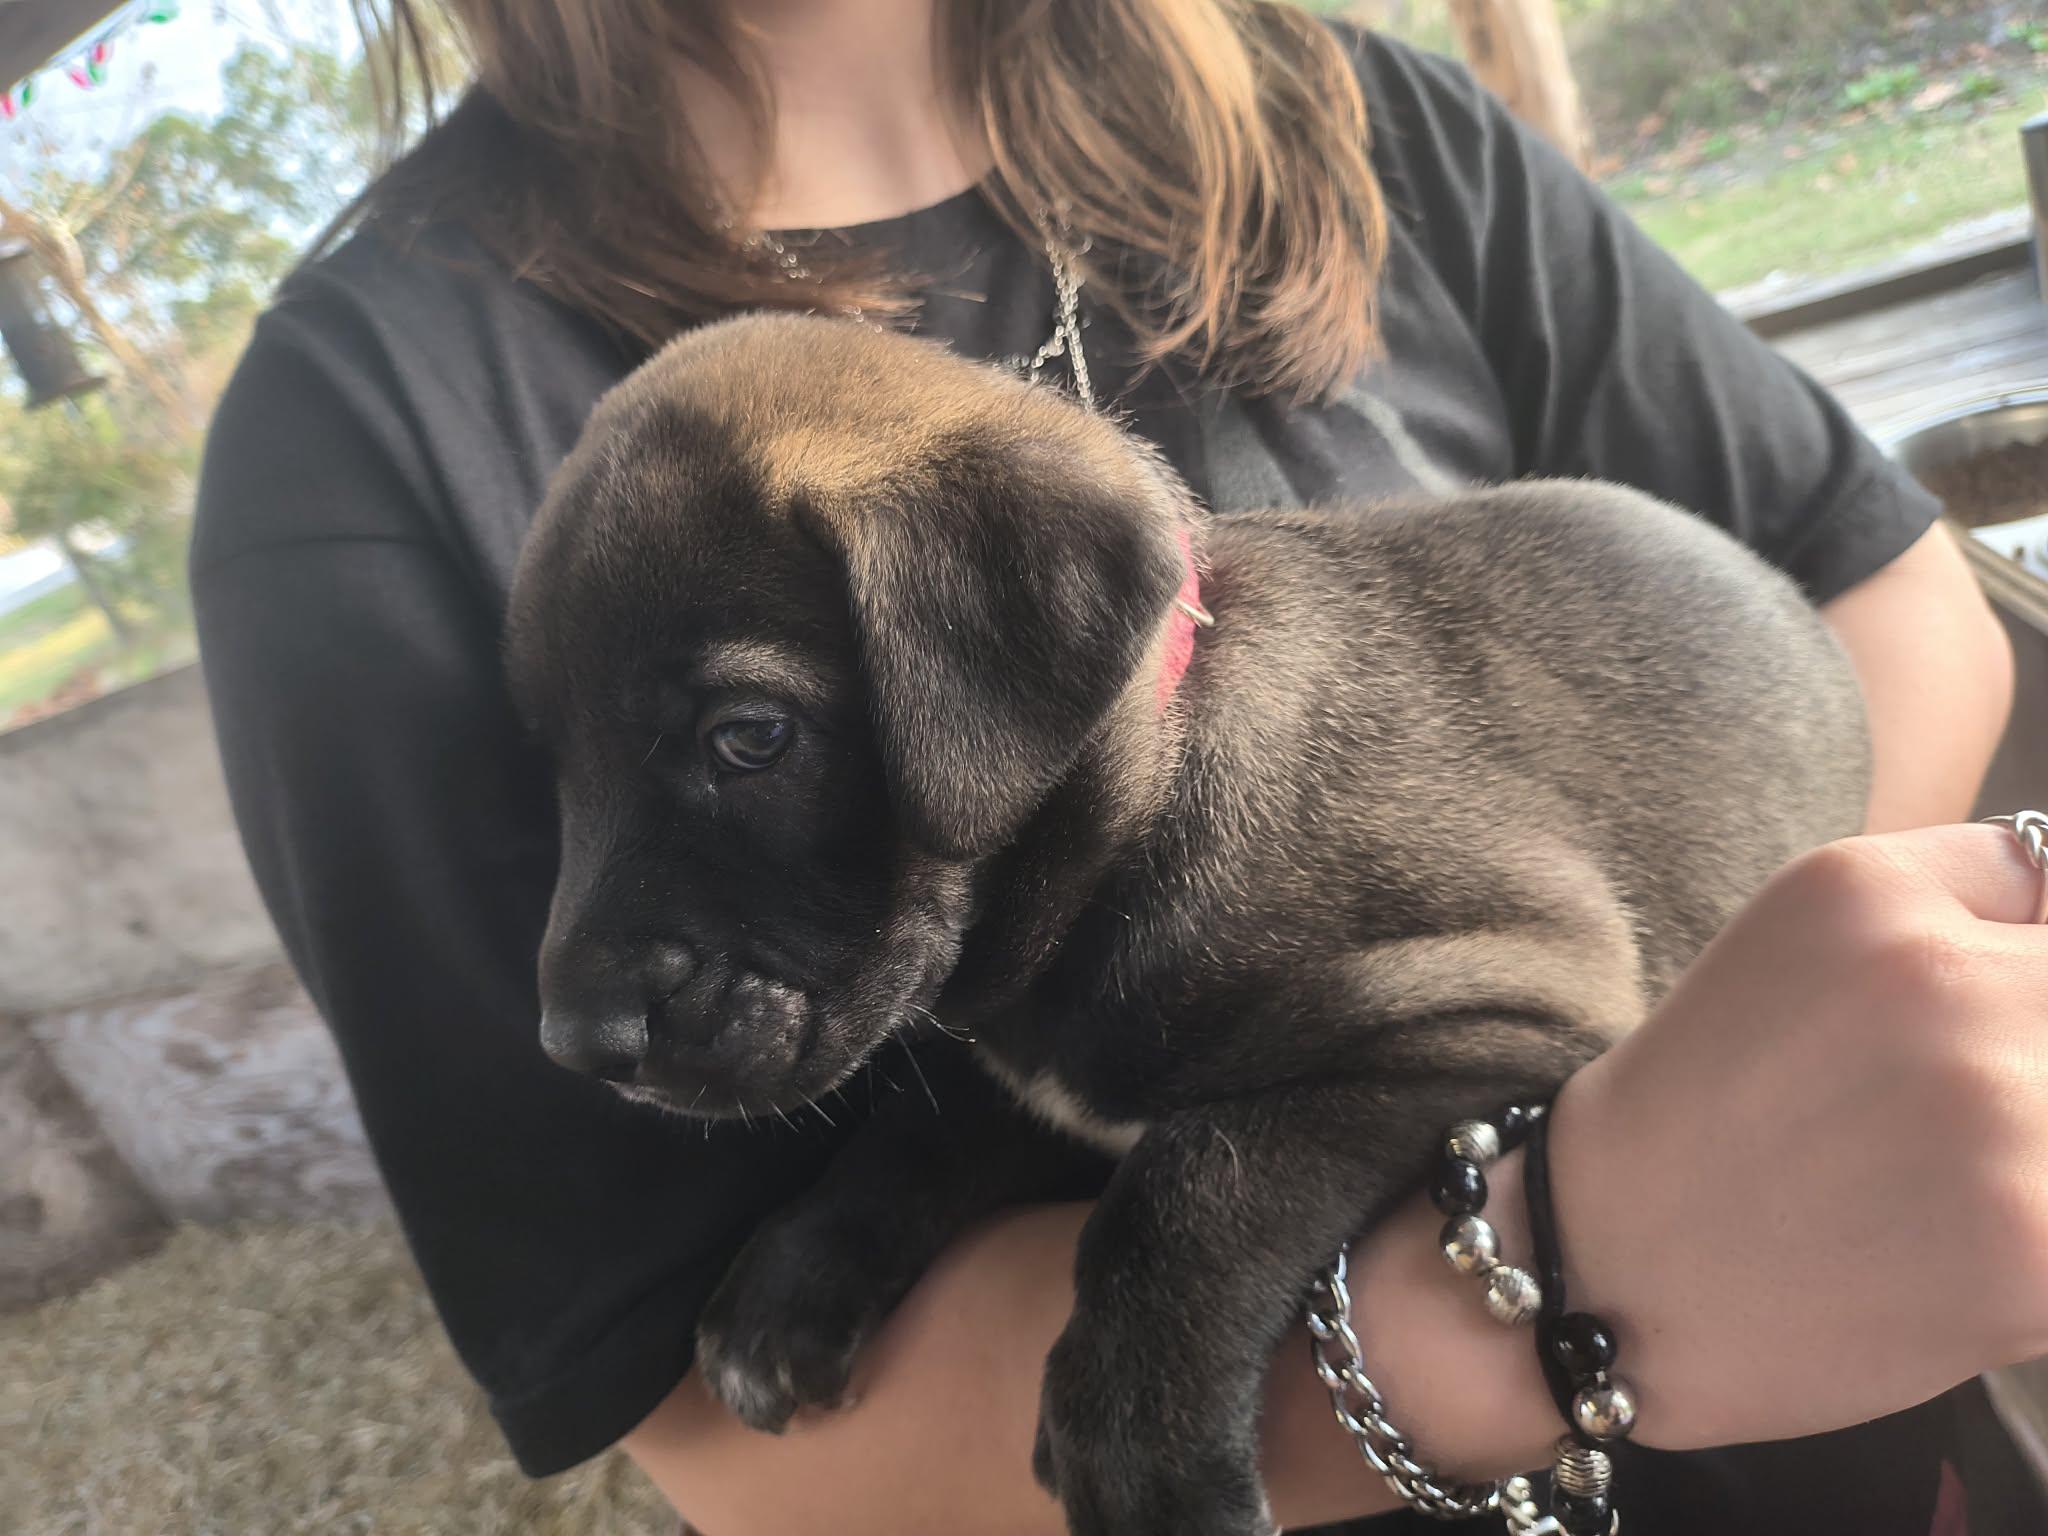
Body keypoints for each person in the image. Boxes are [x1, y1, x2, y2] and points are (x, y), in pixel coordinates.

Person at [188, 1, 2042, 1531]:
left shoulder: (1336, 105)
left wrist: (1755, 1090)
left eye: (745, 738)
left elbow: (1890, 610)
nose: (584, 996)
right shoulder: (368, 427)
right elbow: (754, 1453)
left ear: (998, 667)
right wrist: (1564, 1272)